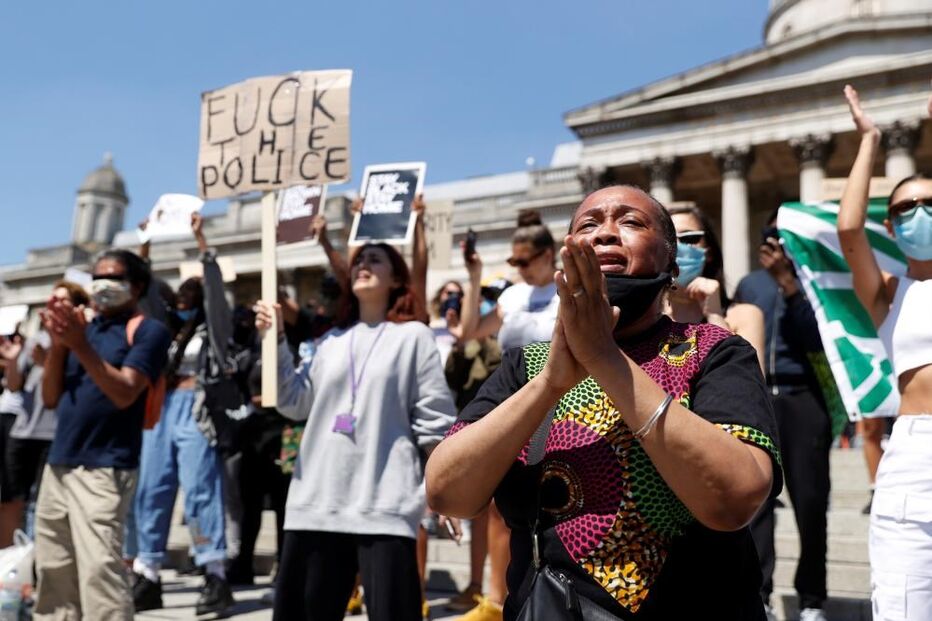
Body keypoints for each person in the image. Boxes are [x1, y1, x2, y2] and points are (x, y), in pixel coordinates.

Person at [427, 185, 781, 620]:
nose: (606, 233)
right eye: (588, 225)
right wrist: (552, 383)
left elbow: (736, 498)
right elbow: (447, 493)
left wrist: (603, 358)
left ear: (670, 263)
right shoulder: (527, 366)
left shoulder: (715, 350)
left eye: (631, 222)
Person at [255, 241, 456, 621]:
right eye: (358, 260)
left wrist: (445, 486)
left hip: (384, 502)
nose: (363, 264)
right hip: (316, 502)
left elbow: (434, 419)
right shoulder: (326, 341)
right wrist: (276, 339)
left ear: (397, 277)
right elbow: (292, 401)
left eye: (375, 259)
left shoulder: (414, 336)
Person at [36, 248, 171, 620]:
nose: (102, 285)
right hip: (60, 464)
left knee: (100, 573)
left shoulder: (148, 331)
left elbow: (125, 391)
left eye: (113, 277)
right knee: (54, 572)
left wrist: (79, 344)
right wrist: (59, 345)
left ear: (137, 285)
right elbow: (50, 397)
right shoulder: (85, 328)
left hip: (104, 468)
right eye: (97, 278)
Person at [839, 84, 932, 621]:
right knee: (904, 605)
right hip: (915, 454)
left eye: (929, 203)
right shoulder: (889, 293)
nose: (918, 213)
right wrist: (870, 139)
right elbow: (849, 228)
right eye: (905, 208)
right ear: (892, 226)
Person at [453, 210, 559, 621]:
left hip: (559, 401)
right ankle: (497, 597)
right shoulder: (512, 297)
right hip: (513, 401)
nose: (517, 268)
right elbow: (469, 332)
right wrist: (474, 277)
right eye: (512, 262)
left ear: (548, 255)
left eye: (524, 260)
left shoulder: (564, 292)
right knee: (501, 502)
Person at [131, 213, 236, 615]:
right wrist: (145, 244)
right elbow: (143, 296)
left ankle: (214, 572)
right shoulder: (164, 331)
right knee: (152, 490)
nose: (188, 298)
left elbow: (213, 291)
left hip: (196, 409)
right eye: (183, 294)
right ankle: (149, 571)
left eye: (195, 294)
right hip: (160, 410)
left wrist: (202, 243)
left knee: (199, 491)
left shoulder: (214, 331)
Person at [736, 208, 832, 621]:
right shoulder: (748, 285)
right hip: (758, 395)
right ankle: (761, 593)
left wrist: (789, 285)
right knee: (755, 504)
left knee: (811, 501)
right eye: (770, 238)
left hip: (802, 394)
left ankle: (811, 599)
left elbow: (819, 339)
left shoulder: (812, 282)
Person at [3, 282, 90, 541]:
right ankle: (13, 558)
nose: (55, 305)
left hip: (55, 433)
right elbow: (14, 386)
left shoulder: (82, 342)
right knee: (13, 498)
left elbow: (62, 393)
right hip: (24, 431)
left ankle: (35, 557)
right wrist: (12, 361)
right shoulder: (34, 342)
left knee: (42, 501)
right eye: (53, 299)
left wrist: (50, 362)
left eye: (63, 300)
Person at [665, 205, 766, 370]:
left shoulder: (743, 315)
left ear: (709, 252)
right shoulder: (644, 317)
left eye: (690, 238)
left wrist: (715, 316)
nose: (679, 247)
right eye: (669, 240)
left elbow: (750, 385)